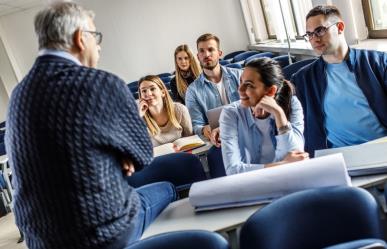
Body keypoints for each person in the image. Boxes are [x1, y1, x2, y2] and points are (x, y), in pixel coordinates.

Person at [4, 2, 176, 249]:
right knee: (167, 188)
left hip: (40, 241)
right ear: (79, 39)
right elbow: (142, 154)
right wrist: (121, 156)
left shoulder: (18, 96)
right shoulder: (101, 84)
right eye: (96, 37)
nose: (99, 46)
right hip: (100, 234)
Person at [292, 5, 387, 156]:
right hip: (337, 157)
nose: (314, 39)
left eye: (320, 30)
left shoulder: (377, 63)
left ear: (340, 27)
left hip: (380, 148)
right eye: (309, 34)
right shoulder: (303, 78)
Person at [220, 58, 308, 175]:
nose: (239, 90)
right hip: (254, 187)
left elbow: (296, 157)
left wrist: (279, 114)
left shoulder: (291, 103)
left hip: (288, 181)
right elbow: (233, 170)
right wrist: (283, 165)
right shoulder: (230, 113)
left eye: (249, 85)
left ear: (271, 91)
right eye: (241, 82)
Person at [186, 33, 242, 146]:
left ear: (220, 53)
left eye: (211, 49)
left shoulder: (241, 76)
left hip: (246, 131)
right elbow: (197, 125)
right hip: (221, 141)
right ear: (197, 56)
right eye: (201, 51)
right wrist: (203, 129)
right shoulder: (192, 91)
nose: (206, 54)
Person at [138, 75, 193, 146]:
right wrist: (138, 117)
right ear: (141, 96)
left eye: (152, 89)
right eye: (144, 91)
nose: (148, 94)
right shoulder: (140, 118)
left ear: (163, 92)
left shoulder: (180, 110)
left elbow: (191, 139)